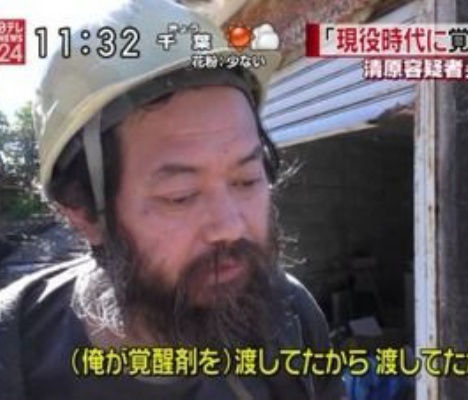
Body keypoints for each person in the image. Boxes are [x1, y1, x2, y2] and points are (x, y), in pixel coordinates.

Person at [0, 1, 346, 399]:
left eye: (247, 180)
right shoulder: (14, 356)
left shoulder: (292, 316)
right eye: (180, 196)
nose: (231, 226)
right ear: (82, 212)